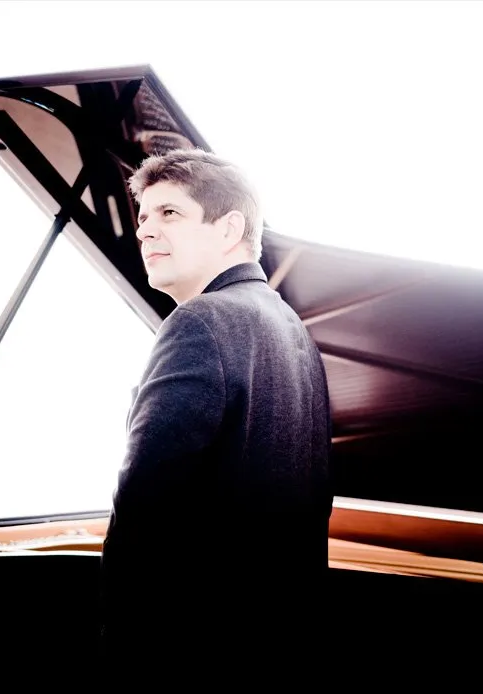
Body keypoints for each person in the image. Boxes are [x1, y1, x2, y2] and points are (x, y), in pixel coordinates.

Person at [99, 148, 333, 663]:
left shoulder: (198, 321)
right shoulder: (291, 327)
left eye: (169, 213)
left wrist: (119, 645)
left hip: (190, 644)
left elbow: (143, 503)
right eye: (143, 217)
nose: (144, 231)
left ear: (229, 229)